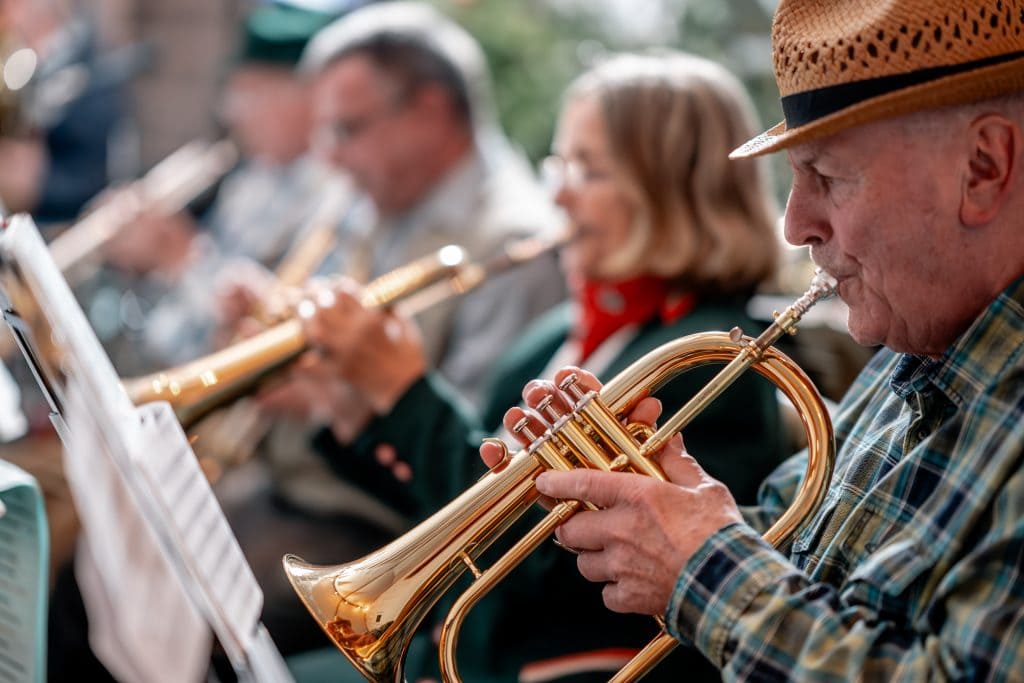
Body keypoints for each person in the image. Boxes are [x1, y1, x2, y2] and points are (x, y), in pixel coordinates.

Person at [501, 0, 1024, 679]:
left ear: (984, 166)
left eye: (828, 178)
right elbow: (789, 546)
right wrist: (647, 500)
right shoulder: (917, 347)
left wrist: (703, 566)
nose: (794, 223)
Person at [289, 51, 786, 682]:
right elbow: (460, 501)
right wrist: (351, 404)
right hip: (458, 646)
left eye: (590, 170)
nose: (557, 191)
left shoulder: (708, 360)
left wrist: (404, 392)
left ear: (672, 192)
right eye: (560, 161)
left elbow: (552, 562)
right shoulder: (557, 332)